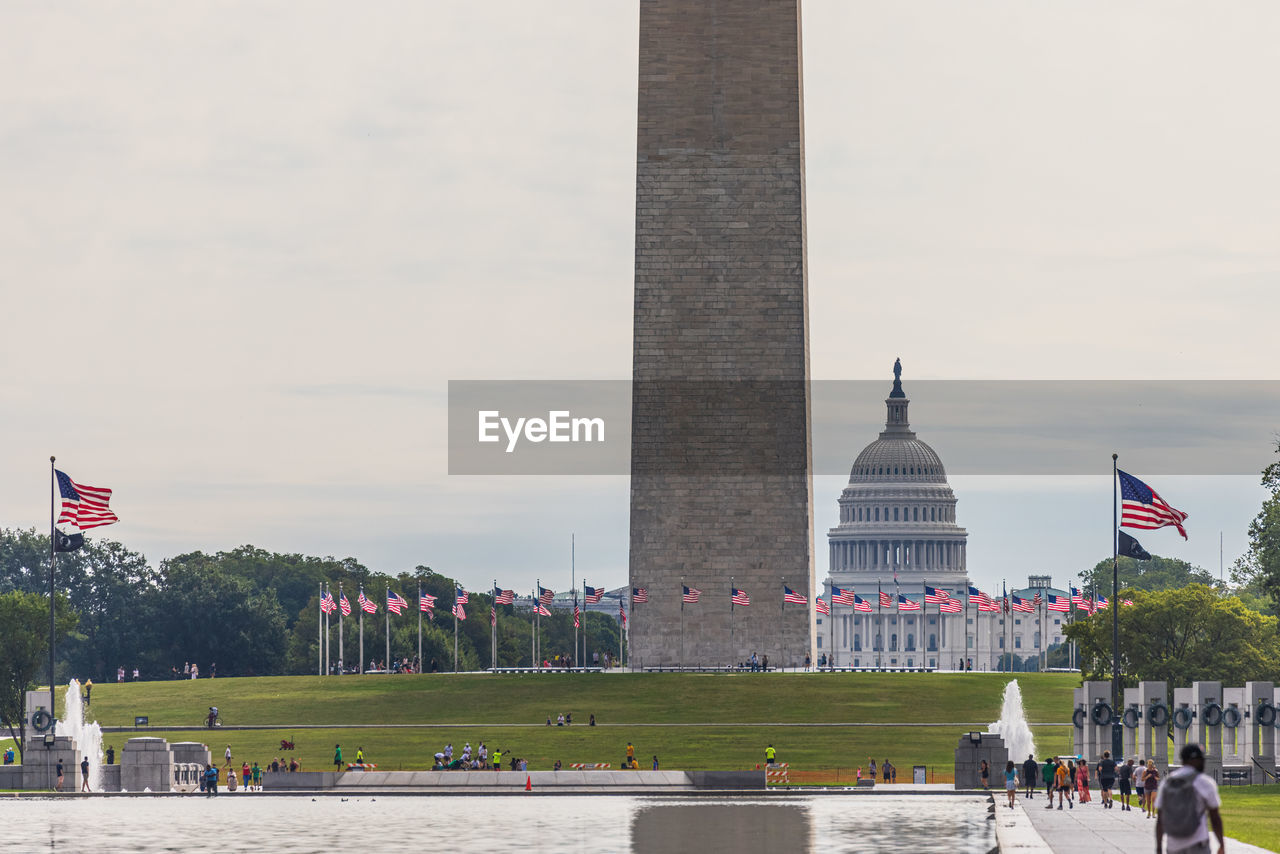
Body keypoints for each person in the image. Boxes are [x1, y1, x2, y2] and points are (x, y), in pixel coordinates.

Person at [1156, 744, 1224, 854]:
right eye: (1201, 759)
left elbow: (1160, 819)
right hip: (1198, 844)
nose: (1203, 762)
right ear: (1195, 759)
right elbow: (1214, 817)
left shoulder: (1167, 782)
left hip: (1173, 845)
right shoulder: (1204, 782)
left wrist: (1159, 848)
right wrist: (1221, 844)